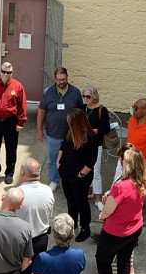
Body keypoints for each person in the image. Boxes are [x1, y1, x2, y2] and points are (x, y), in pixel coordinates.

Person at [92, 145, 146, 274]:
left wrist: (102, 214)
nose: (121, 162)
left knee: (103, 261)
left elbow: (108, 211)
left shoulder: (121, 186)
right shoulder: (142, 183)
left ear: (128, 164)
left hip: (115, 232)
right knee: (124, 261)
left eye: (123, 160)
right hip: (134, 228)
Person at [15, 158, 55, 274]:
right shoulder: (48, 191)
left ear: (23, 173)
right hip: (40, 239)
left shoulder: (17, 193)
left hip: (20, 242)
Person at [37, 67, 83, 190]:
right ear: (55, 79)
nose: (61, 82)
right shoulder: (48, 92)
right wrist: (39, 131)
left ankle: (70, 180)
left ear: (67, 77)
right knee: (52, 159)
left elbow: (80, 114)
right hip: (53, 134)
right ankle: (54, 181)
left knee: (72, 159)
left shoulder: (75, 92)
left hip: (71, 135)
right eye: (59, 80)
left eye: (63, 79)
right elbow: (41, 111)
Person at [57, 108, 99, 242]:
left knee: (81, 202)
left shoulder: (90, 137)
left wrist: (80, 175)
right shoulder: (69, 132)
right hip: (66, 174)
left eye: (70, 121)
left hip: (80, 178)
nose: (68, 123)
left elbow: (91, 161)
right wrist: (59, 163)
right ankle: (72, 222)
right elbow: (63, 148)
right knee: (70, 200)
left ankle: (85, 228)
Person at [117, 98, 146, 182]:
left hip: (139, 172)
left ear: (145, 110)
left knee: (131, 195)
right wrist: (121, 155)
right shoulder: (132, 120)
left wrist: (141, 172)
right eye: (133, 107)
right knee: (116, 192)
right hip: (124, 164)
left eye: (136, 108)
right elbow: (129, 140)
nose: (133, 110)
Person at [81, 85, 111, 211]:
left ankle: (98, 199)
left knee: (96, 171)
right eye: (84, 96)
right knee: (84, 169)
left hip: (95, 144)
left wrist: (92, 130)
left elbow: (106, 128)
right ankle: (88, 191)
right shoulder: (82, 108)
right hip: (83, 144)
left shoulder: (101, 109)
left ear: (94, 96)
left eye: (88, 96)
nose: (86, 99)